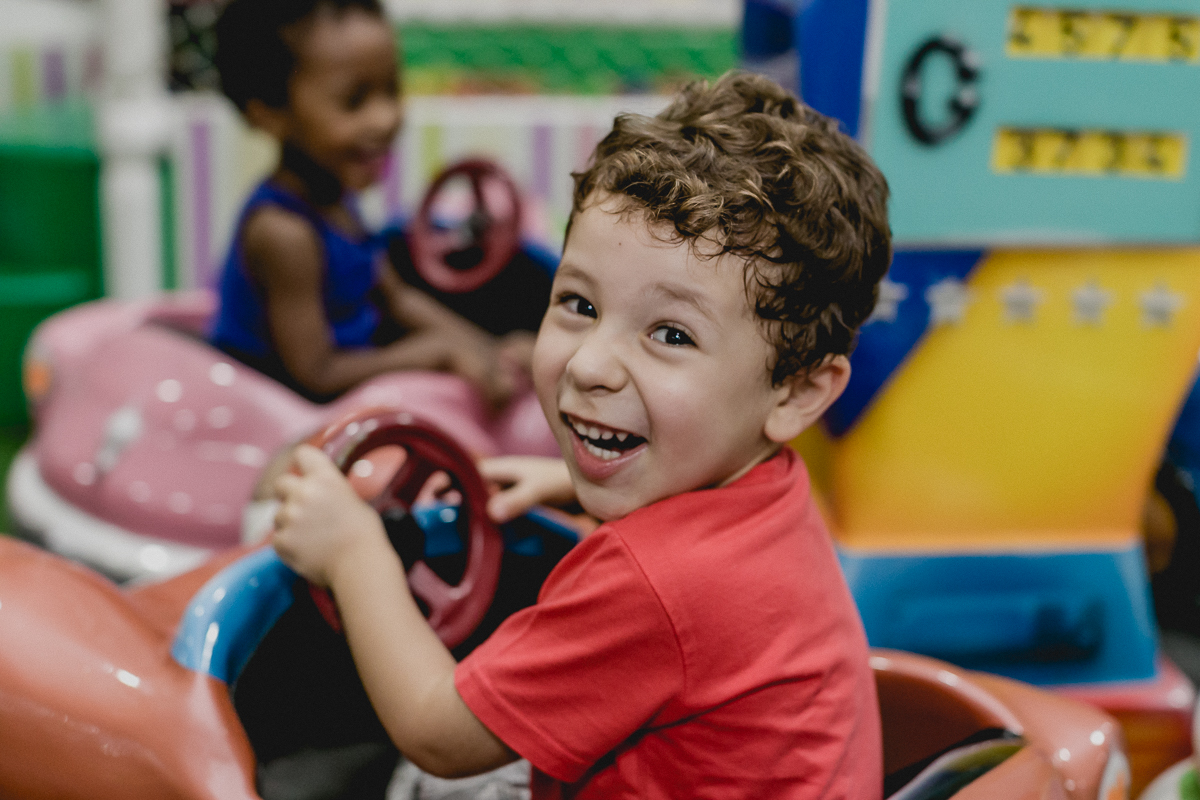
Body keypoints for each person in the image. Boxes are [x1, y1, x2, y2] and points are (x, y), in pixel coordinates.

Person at [272, 71, 892, 798]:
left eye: (669, 334)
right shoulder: (770, 489)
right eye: (577, 302)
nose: (591, 364)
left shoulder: (650, 586)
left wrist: (354, 556)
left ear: (796, 392)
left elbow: (439, 733)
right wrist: (571, 481)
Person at [207, 0, 538, 405]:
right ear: (269, 113)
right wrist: (434, 353)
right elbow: (317, 373)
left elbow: (396, 298)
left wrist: (490, 351)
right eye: (354, 100)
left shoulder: (337, 201)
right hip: (274, 412)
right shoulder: (284, 233)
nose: (386, 118)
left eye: (392, 89)